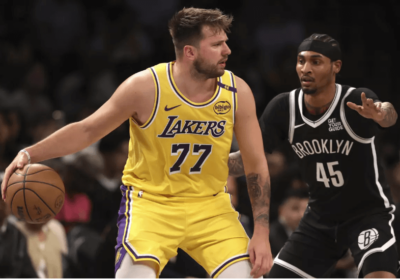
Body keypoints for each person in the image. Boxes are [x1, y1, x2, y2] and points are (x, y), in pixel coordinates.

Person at [1, 8, 273, 278]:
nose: (227, 50)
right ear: (190, 52)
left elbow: (255, 163)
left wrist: (261, 233)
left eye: (225, 42)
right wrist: (29, 152)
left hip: (210, 206)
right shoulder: (145, 87)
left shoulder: (237, 91)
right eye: (217, 44)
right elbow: (87, 130)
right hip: (151, 206)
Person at [228, 33, 398, 278]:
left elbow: (388, 114)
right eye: (301, 61)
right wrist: (208, 161)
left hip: (366, 214)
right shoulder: (283, 107)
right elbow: (249, 160)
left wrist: (381, 114)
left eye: (316, 62)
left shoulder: (354, 100)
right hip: (320, 217)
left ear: (335, 66)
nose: (305, 69)